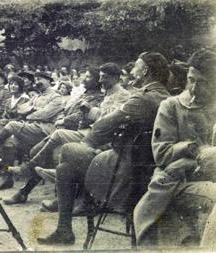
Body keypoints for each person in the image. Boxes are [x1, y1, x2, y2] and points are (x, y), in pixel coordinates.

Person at [37, 52, 170, 245]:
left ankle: (65, 228)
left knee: (68, 153)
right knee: (65, 168)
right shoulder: (165, 95)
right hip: (145, 167)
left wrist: (89, 145)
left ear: (145, 72)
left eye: (135, 67)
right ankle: (65, 226)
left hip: (125, 171)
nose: (131, 72)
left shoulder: (142, 98)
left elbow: (103, 125)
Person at [134, 49, 216, 247]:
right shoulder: (172, 106)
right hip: (176, 183)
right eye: (191, 80)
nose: (194, 88)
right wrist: (195, 151)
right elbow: (162, 155)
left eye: (204, 83)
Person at [4, 66, 105, 206]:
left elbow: (83, 116)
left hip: (79, 132)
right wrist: (62, 117)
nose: (84, 79)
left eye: (88, 77)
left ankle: (24, 190)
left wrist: (64, 120)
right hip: (64, 130)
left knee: (46, 155)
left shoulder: (98, 97)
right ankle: (24, 188)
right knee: (35, 151)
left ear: (97, 81)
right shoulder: (83, 95)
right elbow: (65, 110)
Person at [0, 72, 64, 172]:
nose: (37, 82)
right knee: (9, 143)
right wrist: (33, 109)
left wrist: (30, 111)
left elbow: (44, 114)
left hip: (45, 129)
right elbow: (20, 109)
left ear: (49, 80)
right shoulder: (36, 97)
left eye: (40, 79)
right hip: (32, 127)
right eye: (36, 80)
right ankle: (7, 175)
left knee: (12, 125)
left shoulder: (56, 97)